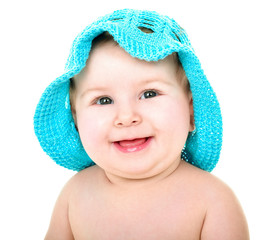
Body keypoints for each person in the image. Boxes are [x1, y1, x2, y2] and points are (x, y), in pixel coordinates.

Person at [34, 9, 249, 239]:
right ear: (76, 119)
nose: (127, 117)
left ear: (191, 110)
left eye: (149, 94)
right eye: (103, 100)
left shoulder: (212, 202)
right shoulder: (73, 197)